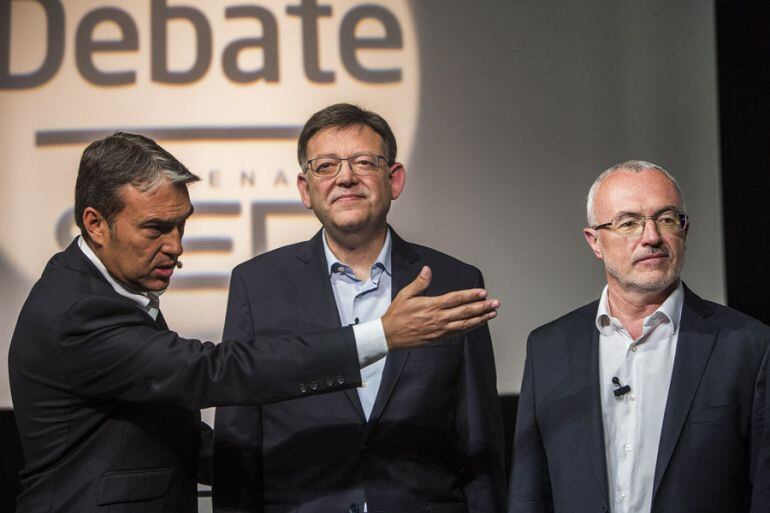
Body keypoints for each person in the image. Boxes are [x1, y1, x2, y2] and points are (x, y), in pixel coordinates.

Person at [8, 132, 500, 513]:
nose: (177, 246)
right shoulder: (77, 311)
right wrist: (380, 336)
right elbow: (213, 373)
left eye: (182, 225)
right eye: (156, 228)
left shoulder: (106, 290)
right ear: (95, 223)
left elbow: (162, 432)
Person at [213, 104, 507, 513]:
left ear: (394, 179)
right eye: (326, 166)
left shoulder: (454, 281)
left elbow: (478, 434)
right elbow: (239, 437)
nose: (345, 177)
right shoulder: (258, 285)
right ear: (305, 188)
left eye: (364, 162)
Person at [508, 160, 770, 513]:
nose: (652, 237)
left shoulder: (748, 345)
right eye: (628, 223)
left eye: (666, 219)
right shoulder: (549, 349)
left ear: (685, 230)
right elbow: (529, 491)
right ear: (595, 241)